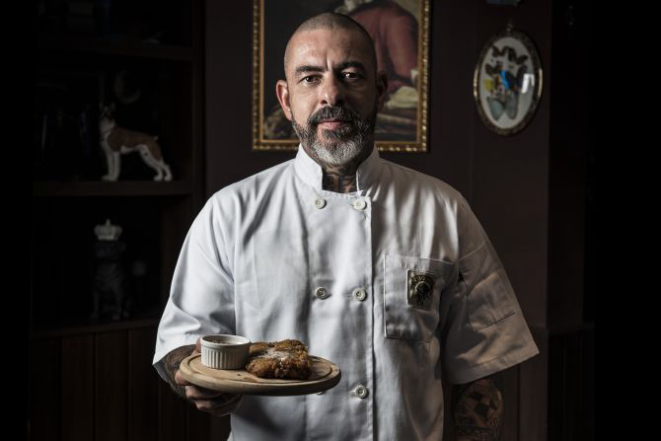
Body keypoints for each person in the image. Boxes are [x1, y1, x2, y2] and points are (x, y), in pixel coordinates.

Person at [153, 12, 539, 441]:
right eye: (310, 78)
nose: (330, 94)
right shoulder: (230, 212)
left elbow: (481, 366)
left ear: (378, 90)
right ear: (285, 99)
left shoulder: (443, 210)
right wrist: (197, 382)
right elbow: (182, 341)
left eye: (350, 75)